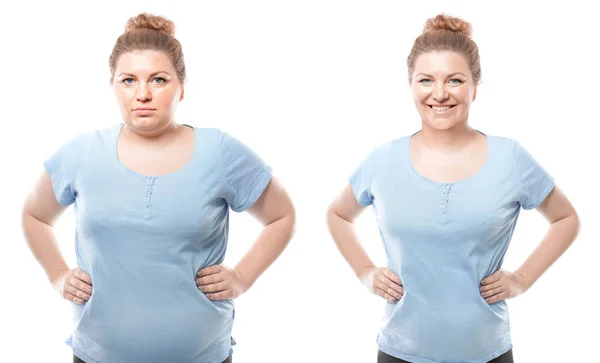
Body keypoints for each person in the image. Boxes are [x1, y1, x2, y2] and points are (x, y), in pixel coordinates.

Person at [21, 13, 295, 363]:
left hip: (202, 355)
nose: (143, 94)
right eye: (129, 80)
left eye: (159, 79)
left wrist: (242, 277)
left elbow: (282, 215)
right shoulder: (82, 153)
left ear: (181, 87)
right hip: (98, 355)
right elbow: (34, 215)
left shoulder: (220, 152)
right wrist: (58, 275)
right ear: (113, 87)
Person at [326, 14, 580, 363]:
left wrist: (522, 279)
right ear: (412, 85)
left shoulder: (511, 157)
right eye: (426, 80)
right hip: (400, 351)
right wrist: (365, 272)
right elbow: (338, 214)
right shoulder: (383, 160)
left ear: (475, 86)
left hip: (487, 352)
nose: (440, 93)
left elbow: (566, 218)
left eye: (455, 80)